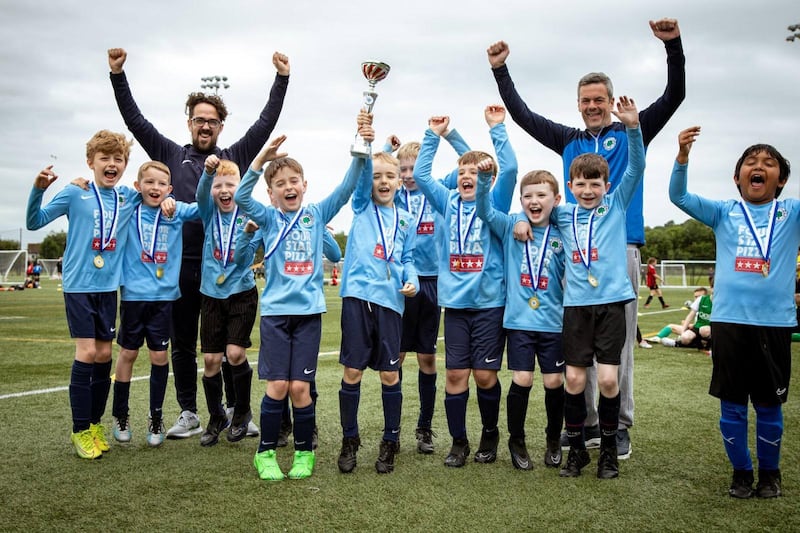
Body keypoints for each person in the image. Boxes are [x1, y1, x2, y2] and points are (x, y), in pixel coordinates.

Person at [487, 18, 685, 460]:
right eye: (586, 101)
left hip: (621, 251)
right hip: (574, 257)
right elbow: (523, 116)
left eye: (599, 99)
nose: (593, 106)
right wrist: (501, 70)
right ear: (578, 105)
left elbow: (675, 96)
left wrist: (673, 46)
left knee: (617, 352)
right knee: (577, 346)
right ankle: (589, 423)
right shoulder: (568, 140)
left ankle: (621, 426)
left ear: (612, 102)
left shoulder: (631, 130)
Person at [107, 47, 289, 439]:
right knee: (184, 343)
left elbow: (264, 123)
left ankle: (231, 411)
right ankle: (189, 411)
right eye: (199, 120)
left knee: (225, 345)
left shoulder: (233, 156)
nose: (205, 126)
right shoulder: (170, 154)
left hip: (223, 270)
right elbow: (135, 121)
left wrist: (282, 79)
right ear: (189, 122)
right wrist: (118, 75)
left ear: (221, 125)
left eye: (212, 121)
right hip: (175, 267)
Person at [236, 121, 372, 481]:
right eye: (280, 184)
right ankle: (264, 454)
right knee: (277, 387)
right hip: (277, 315)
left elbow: (345, 190)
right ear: (271, 194)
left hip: (309, 314)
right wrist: (260, 159)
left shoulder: (315, 214)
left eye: (293, 181)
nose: (288, 187)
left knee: (300, 388)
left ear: (304, 185)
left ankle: (303, 452)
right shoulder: (266, 218)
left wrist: (361, 152)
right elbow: (240, 198)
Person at [669, 126, 800, 498]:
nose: (758, 167)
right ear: (737, 177)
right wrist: (682, 156)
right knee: (733, 406)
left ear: (781, 179)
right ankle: (741, 473)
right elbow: (677, 195)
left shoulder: (791, 212)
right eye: (750, 162)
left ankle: (770, 474)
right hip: (729, 324)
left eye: (769, 163)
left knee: (769, 404)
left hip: (774, 325)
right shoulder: (724, 212)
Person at [26, 130, 140, 459]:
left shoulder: (125, 198)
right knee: (88, 352)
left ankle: (93, 425)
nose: (112, 164)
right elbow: (34, 222)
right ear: (90, 162)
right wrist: (39, 189)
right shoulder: (75, 193)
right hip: (79, 287)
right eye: (104, 158)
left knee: (105, 356)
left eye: (118, 159)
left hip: (108, 289)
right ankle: (78, 430)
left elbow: (152, 192)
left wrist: (168, 198)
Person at [412, 111, 516, 468]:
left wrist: (497, 129)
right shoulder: (448, 201)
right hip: (455, 304)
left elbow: (511, 168)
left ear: (486, 178)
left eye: (474, 173)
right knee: (455, 374)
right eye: (462, 173)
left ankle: (490, 432)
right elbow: (423, 175)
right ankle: (458, 442)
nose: (467, 176)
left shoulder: (495, 202)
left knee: (485, 375)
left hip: (489, 303)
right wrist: (433, 135)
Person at [550, 96, 643, 479]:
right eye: (581, 185)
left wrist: (633, 128)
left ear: (607, 185)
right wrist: (523, 221)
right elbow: (532, 206)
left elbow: (636, 166)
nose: (588, 191)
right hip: (576, 307)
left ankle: (607, 449)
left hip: (611, 306)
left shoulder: (616, 205)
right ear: (570, 187)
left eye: (595, 184)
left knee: (607, 379)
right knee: (574, 378)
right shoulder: (563, 214)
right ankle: (577, 451)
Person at [476, 168, 566, 470]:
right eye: (528, 196)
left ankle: (554, 438)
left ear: (556, 199)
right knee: (522, 378)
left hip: (553, 321)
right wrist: (515, 217)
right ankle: (517, 439)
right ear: (521, 200)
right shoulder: (511, 226)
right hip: (519, 321)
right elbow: (485, 209)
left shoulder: (562, 231)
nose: (534, 201)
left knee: (554, 380)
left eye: (541, 195)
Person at [336, 146, 419, 475]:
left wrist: (412, 280)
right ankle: (349, 438)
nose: (383, 181)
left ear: (400, 181)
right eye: (376, 176)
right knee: (352, 371)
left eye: (390, 176)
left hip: (390, 303)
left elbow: (408, 259)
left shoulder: (406, 219)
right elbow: (360, 173)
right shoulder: (361, 205)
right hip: (357, 298)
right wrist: (373, 147)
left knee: (389, 373)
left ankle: (390, 440)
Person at [389, 127, 470, 454]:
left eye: (413, 169)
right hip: (402, 283)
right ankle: (391, 429)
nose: (408, 175)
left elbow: (470, 160)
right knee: (396, 357)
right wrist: (384, 146)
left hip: (434, 281)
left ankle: (424, 427)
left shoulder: (440, 189)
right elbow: (371, 172)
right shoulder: (392, 194)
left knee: (427, 357)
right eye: (403, 169)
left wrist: (449, 133)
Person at [111, 161, 199, 447]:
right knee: (128, 354)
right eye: (149, 182)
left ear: (170, 189)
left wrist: (176, 201)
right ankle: (120, 415)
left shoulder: (175, 211)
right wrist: (81, 183)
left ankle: (156, 416)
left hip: (163, 299)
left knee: (159, 358)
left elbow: (205, 209)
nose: (155, 188)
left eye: (162, 184)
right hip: (134, 297)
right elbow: (109, 189)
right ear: (138, 186)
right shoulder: (129, 208)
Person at [194, 156, 258, 447]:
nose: (223, 190)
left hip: (242, 294)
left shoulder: (249, 214)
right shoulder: (208, 213)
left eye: (230, 184)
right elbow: (199, 193)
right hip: (211, 296)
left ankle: (242, 411)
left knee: (234, 355)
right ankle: (216, 415)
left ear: (240, 187)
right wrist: (208, 173)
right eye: (217, 185)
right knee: (210, 360)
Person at [275, 225, 343, 450]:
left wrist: (320, 228)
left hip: (306, 310)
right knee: (279, 375)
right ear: (270, 194)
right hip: (278, 310)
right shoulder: (268, 221)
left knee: (305, 375)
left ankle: (308, 425)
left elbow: (334, 255)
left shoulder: (309, 223)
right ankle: (283, 424)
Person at [647, 286, 711, 351]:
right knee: (671, 327)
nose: (696, 298)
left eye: (698, 296)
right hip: (695, 331)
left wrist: (690, 325)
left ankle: (675, 343)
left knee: (702, 333)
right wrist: (686, 327)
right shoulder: (697, 306)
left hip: (706, 333)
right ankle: (657, 338)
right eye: (695, 297)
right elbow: (695, 324)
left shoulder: (707, 304)